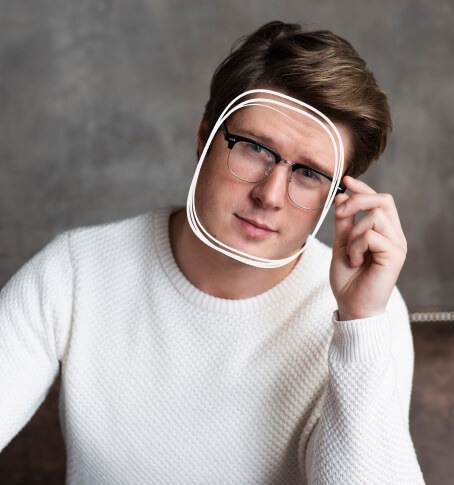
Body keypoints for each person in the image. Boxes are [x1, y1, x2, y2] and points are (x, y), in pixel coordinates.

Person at [0, 20, 425, 484]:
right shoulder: (76, 272)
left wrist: (360, 324)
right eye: (255, 148)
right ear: (205, 136)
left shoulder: (368, 313)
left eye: (309, 174)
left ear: (338, 196)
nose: (270, 195)